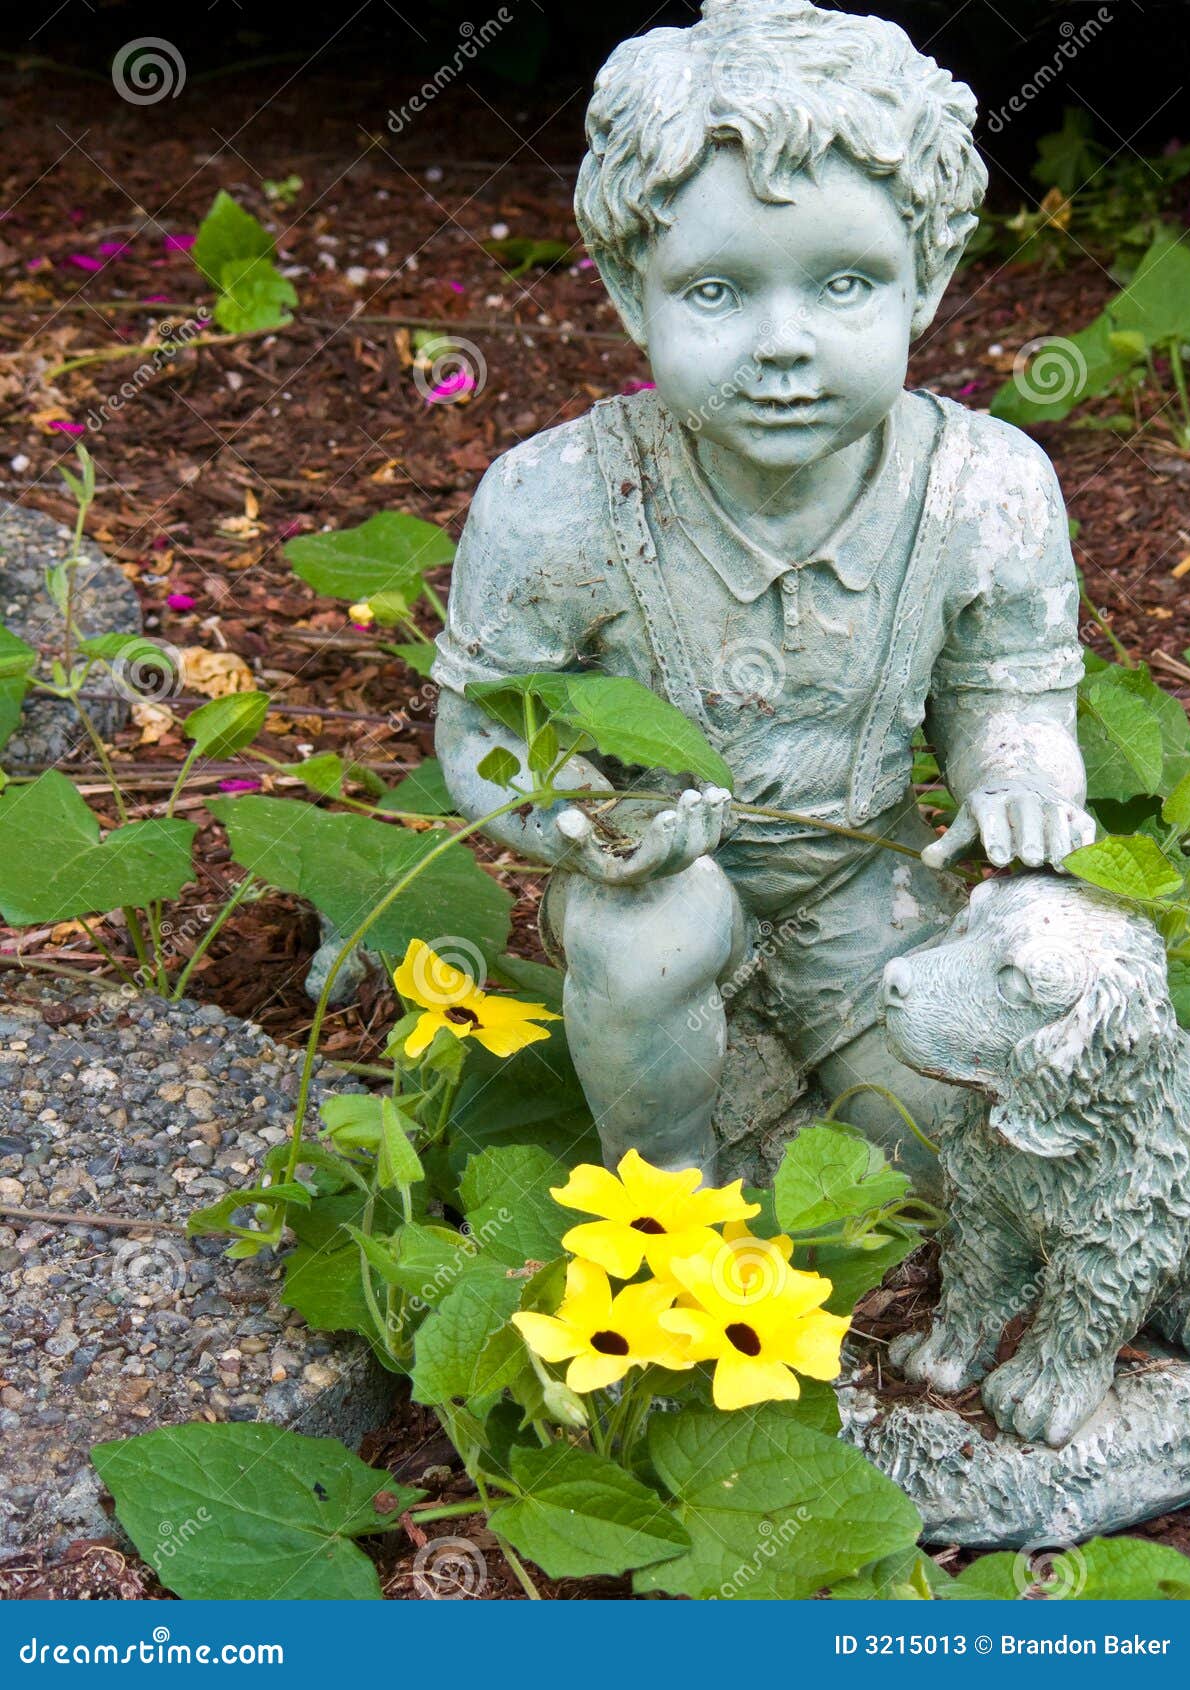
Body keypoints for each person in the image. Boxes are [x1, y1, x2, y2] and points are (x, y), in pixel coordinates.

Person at [432, 0, 1093, 1184]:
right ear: (635, 292)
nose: (783, 344)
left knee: (942, 1157)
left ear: (926, 280)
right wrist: (578, 815)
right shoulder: (560, 504)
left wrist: (1021, 780)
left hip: (864, 887)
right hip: (655, 887)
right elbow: (487, 716)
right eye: (720, 292)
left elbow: (1008, 690)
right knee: (654, 939)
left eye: (844, 284)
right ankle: (666, 1200)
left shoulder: (988, 491)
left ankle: (803, 1095)